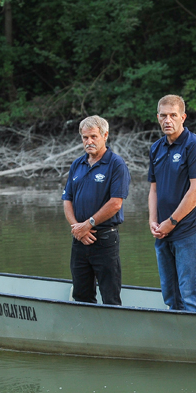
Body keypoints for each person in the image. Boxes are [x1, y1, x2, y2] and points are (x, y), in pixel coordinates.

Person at [148, 94, 196, 311]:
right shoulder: (156, 148)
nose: (168, 120)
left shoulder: (195, 146)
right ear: (158, 117)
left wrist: (172, 222)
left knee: (189, 293)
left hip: (188, 228)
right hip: (163, 230)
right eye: (163, 115)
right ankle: (177, 340)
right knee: (170, 293)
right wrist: (153, 220)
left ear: (183, 117)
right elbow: (153, 188)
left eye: (173, 115)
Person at [61, 115, 131, 305]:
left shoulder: (116, 164)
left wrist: (89, 224)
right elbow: (67, 200)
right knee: (81, 296)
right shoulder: (77, 164)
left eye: (93, 136)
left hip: (104, 239)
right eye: (85, 138)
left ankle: (113, 333)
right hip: (79, 239)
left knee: (110, 297)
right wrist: (78, 228)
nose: (89, 141)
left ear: (105, 135)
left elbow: (116, 203)